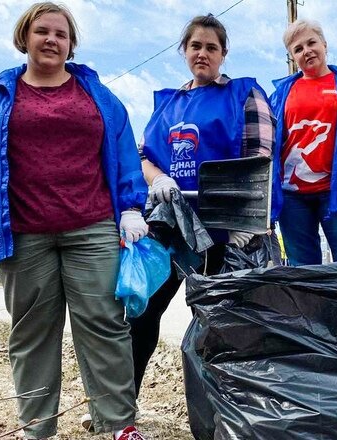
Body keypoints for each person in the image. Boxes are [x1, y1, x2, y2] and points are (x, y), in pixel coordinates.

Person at [0, 3, 148, 439]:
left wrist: (131, 206)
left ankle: (119, 424)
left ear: (71, 44)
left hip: (92, 227)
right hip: (21, 233)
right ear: (25, 37)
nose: (52, 39)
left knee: (105, 326)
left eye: (61, 34)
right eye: (42, 31)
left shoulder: (96, 95)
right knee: (32, 333)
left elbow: (125, 147)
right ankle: (37, 428)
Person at [129, 12, 276, 416]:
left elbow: (258, 159)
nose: (203, 53)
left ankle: (226, 413)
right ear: (184, 51)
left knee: (219, 325)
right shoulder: (166, 105)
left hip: (222, 233)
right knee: (142, 315)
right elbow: (142, 156)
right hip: (169, 228)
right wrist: (158, 177)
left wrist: (245, 220)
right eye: (195, 45)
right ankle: (124, 404)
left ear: (223, 54)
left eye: (212, 47)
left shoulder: (245, 95)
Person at [270, 19, 337, 301]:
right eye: (298, 49)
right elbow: (267, 141)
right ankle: (316, 326)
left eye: (311, 43)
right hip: (291, 196)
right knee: (304, 271)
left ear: (324, 45)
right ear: (292, 57)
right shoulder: (281, 93)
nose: (306, 51)